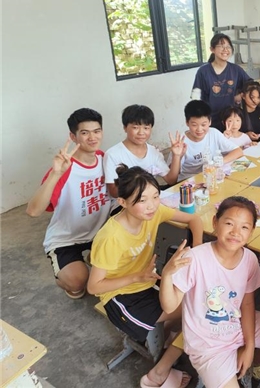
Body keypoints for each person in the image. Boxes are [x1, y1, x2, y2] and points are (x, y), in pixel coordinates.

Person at [87, 165, 204, 388]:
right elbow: (94, 287)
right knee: (196, 311)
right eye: (142, 200)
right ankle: (159, 370)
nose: (151, 205)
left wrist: (196, 250)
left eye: (156, 196)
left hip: (145, 283)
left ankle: (167, 341)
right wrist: (136, 277)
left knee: (195, 305)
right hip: (120, 297)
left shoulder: (154, 212)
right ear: (123, 202)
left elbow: (195, 220)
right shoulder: (111, 237)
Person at [159, 196, 260, 388]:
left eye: (244, 227)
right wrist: (167, 275)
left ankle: (253, 361)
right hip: (208, 344)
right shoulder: (195, 258)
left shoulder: (250, 259)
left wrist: (250, 348)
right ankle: (226, 369)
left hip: (237, 325)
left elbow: (247, 303)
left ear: (251, 231)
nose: (236, 232)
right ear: (215, 223)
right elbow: (169, 306)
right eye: (229, 223)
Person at [26, 108, 110, 299]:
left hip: (100, 233)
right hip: (67, 239)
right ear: (73, 136)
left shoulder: (105, 158)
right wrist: (56, 174)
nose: (92, 137)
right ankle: (65, 275)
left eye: (96, 131)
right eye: (85, 133)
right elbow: (33, 211)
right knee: (78, 282)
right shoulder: (64, 169)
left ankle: (93, 256)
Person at [104, 105, 184, 198]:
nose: (141, 133)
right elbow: (114, 192)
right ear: (125, 127)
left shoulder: (154, 152)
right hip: (127, 202)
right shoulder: (113, 154)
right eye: (135, 127)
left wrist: (176, 155)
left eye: (146, 128)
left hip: (151, 198)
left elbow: (171, 180)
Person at [169, 100, 243, 182]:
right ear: (187, 122)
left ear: (210, 121)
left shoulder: (214, 133)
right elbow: (172, 180)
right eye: (194, 125)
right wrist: (177, 156)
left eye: (203, 125)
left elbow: (238, 151)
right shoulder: (180, 142)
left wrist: (219, 162)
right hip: (189, 181)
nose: (199, 129)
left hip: (210, 177)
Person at [190, 33, 251, 126]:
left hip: (231, 120)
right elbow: (196, 97)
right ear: (212, 49)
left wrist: (241, 95)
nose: (225, 50)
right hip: (210, 120)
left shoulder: (236, 70)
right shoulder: (203, 71)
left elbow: (251, 84)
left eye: (228, 47)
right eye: (221, 46)